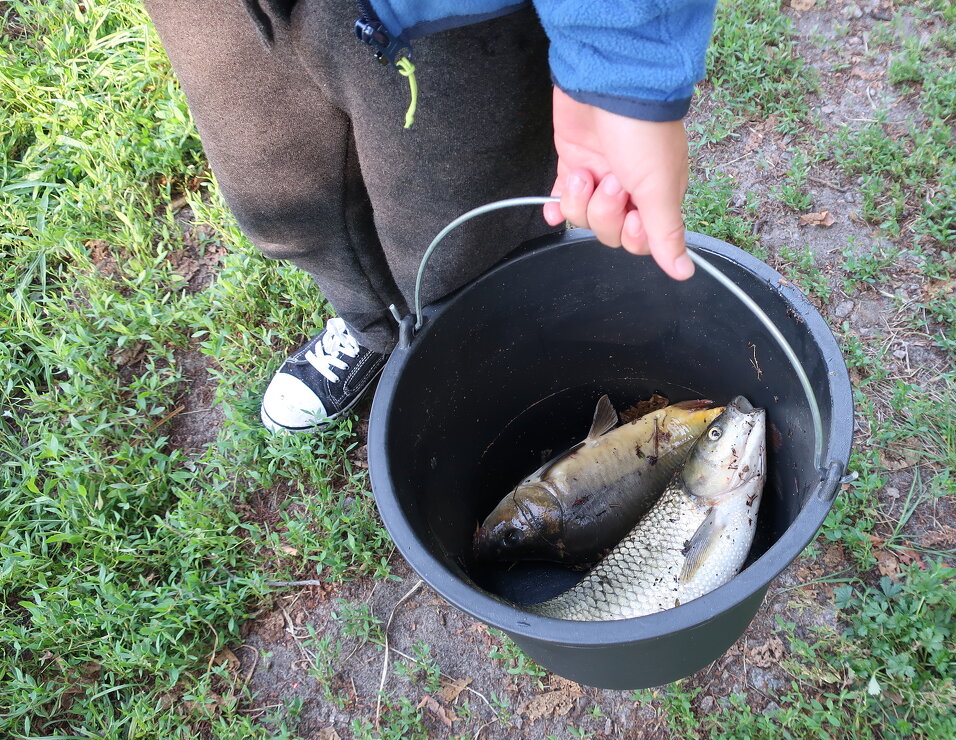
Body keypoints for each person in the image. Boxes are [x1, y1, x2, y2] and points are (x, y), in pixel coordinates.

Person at [145, 0, 717, 432]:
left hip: (446, 15)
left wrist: (622, 69)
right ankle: (372, 328)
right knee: (288, 202)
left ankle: (500, 349)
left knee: (464, 225)